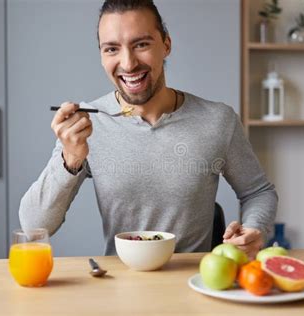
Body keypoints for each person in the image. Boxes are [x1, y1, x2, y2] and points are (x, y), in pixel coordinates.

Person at [19, 0, 278, 259]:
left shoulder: (218, 120)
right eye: (112, 49)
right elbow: (34, 226)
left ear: (166, 44)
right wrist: (70, 158)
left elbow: (258, 192)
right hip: (121, 285)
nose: (128, 63)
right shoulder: (86, 124)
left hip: (192, 283)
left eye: (141, 44)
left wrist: (254, 229)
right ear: (101, 55)